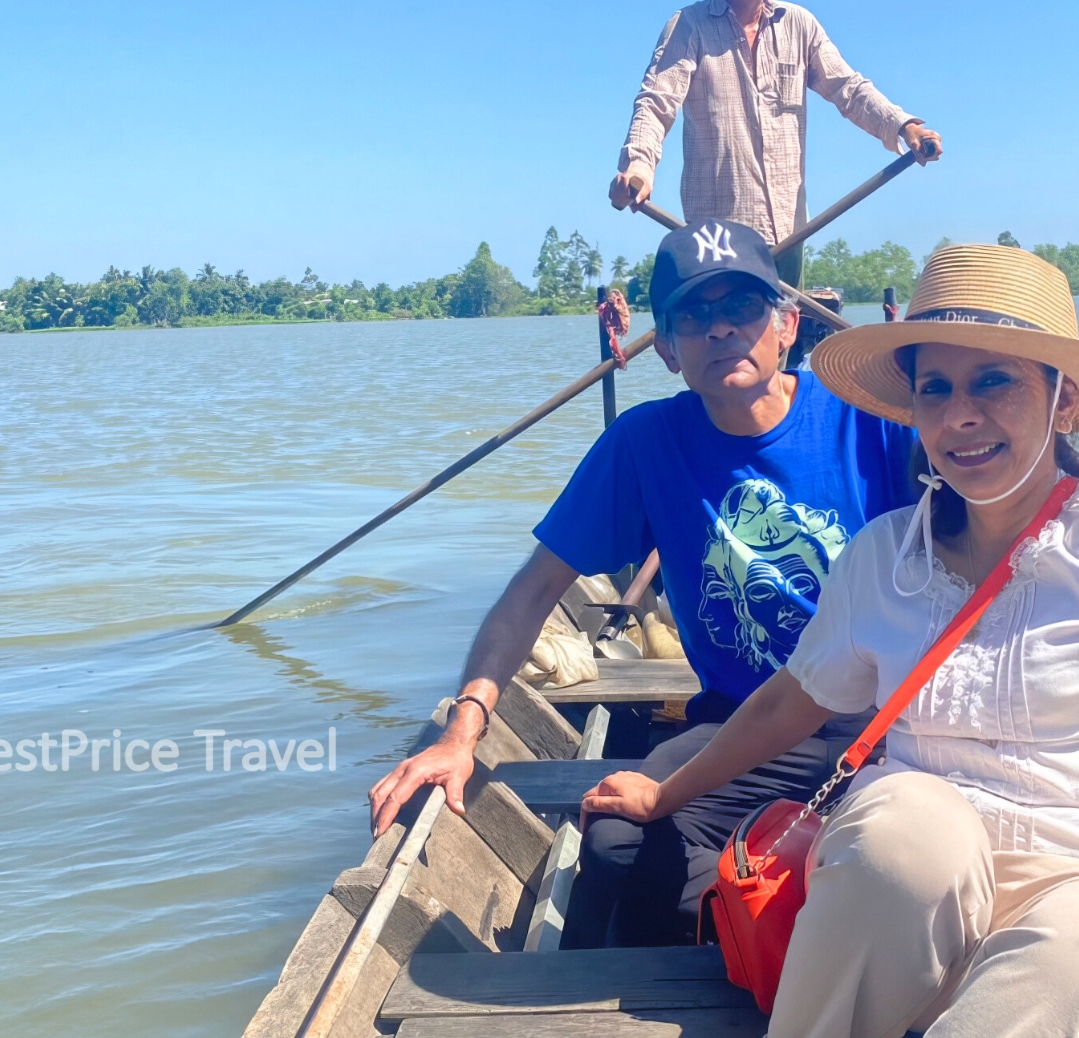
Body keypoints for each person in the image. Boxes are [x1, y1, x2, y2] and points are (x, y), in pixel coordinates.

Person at [585, 245, 1079, 1037]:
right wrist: (664, 793)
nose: (959, 415)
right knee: (898, 827)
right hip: (912, 899)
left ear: (1065, 401)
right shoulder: (885, 555)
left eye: (994, 380)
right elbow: (789, 703)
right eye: (936, 389)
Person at [367, 217, 917, 948]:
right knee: (616, 845)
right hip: (741, 727)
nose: (722, 330)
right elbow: (533, 591)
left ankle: (781, 917)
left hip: (888, 721)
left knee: (904, 866)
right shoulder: (646, 443)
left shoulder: (871, 420)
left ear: (786, 325)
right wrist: (462, 730)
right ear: (666, 349)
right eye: (695, 314)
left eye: (742, 309)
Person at [608, 0, 942, 286]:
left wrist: (903, 125)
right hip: (718, 240)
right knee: (731, 341)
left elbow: (848, 88)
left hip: (789, 232)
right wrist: (638, 167)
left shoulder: (799, 24)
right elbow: (656, 102)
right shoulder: (689, 26)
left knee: (782, 340)